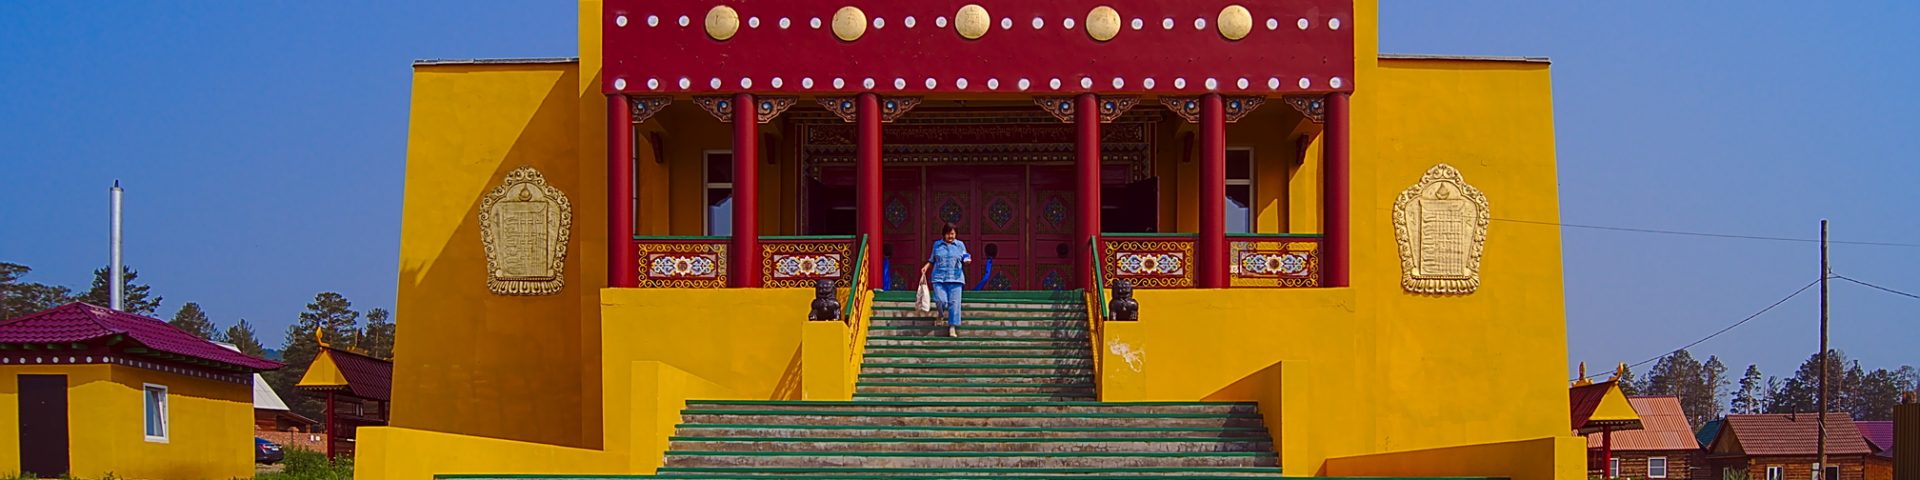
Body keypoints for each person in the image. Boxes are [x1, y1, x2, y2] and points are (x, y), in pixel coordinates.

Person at [920, 222, 971, 337]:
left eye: (952, 234)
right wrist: (926, 267)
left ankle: (952, 327)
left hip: (956, 278)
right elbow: (932, 259)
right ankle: (941, 314)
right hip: (939, 277)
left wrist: (967, 261)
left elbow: (966, 257)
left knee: (954, 303)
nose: (950, 236)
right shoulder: (937, 245)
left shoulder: (960, 245)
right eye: (948, 234)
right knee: (940, 300)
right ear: (943, 234)